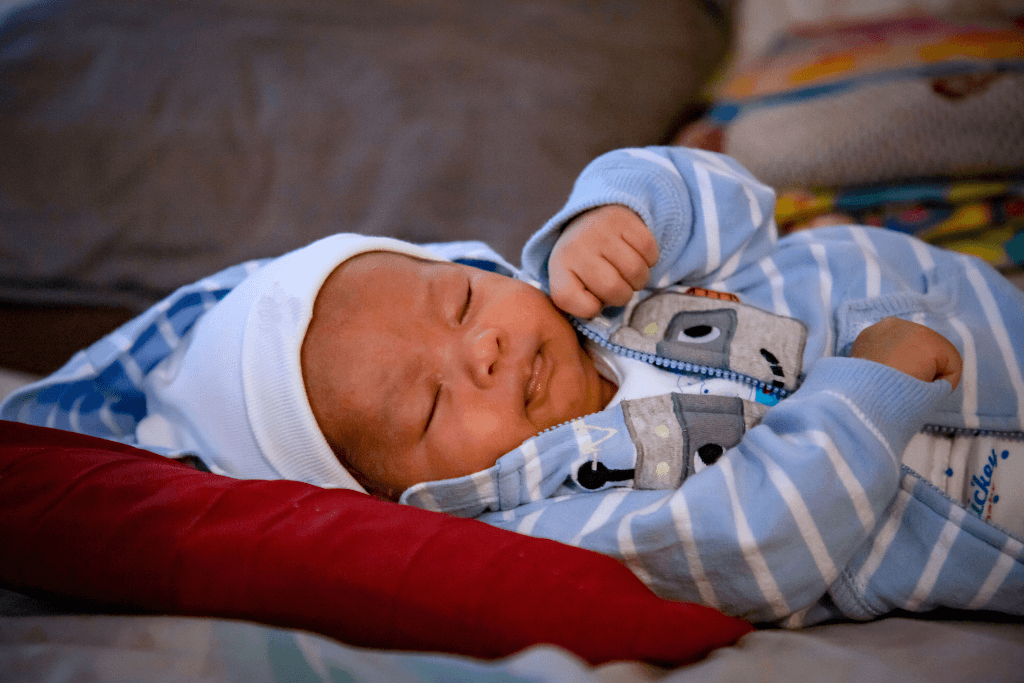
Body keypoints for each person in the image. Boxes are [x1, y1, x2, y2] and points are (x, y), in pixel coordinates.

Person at [3, 146, 1022, 627]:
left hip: (991, 322)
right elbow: (749, 541)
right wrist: (867, 390)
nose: (482, 352)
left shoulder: (599, 281)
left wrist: (616, 209)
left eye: (457, 301)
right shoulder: (557, 514)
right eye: (429, 406)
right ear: (408, 500)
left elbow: (731, 200)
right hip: (975, 506)